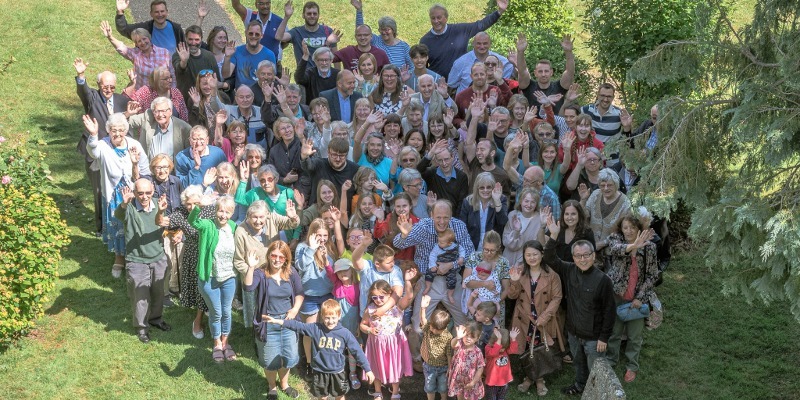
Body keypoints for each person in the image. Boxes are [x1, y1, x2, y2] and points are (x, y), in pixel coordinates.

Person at [542, 216, 616, 396]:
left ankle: (598, 393)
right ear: (573, 257)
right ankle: (580, 385)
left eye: (586, 255)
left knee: (596, 368)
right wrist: (553, 235)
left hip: (594, 338)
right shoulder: (568, 270)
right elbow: (550, 257)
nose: (582, 259)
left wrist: (603, 338)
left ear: (593, 255)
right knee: (579, 363)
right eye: (578, 256)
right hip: (574, 333)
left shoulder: (603, 280)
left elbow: (610, 311)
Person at [394, 201, 474, 362]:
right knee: (417, 325)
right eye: (438, 217)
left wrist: (451, 264)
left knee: (464, 320)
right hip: (428, 280)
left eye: (446, 217)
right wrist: (404, 234)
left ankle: (458, 355)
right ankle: (417, 358)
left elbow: (470, 252)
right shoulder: (423, 226)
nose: (442, 221)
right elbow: (398, 243)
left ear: (451, 216)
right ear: (431, 215)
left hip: (453, 278)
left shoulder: (458, 226)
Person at [83, 113, 151, 278]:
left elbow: (145, 170)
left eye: (121, 130)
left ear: (126, 130)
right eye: (114, 130)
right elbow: (92, 151)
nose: (118, 134)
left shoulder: (134, 145)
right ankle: (119, 258)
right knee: (117, 226)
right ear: (108, 131)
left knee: (133, 227)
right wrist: (93, 134)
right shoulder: (103, 145)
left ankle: (134, 258)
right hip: (113, 195)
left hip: (134, 194)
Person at [264, 299, 375, 400]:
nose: (330, 321)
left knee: (339, 395)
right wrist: (279, 322)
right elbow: (298, 326)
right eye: (327, 317)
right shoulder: (315, 328)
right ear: (322, 316)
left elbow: (357, 351)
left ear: (339, 316)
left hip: (338, 372)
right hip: (320, 371)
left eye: (333, 318)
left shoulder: (345, 333)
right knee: (322, 396)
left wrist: (368, 369)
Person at [73, 59, 131, 236]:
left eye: (112, 87)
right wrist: (81, 75)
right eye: (105, 86)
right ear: (99, 85)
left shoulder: (122, 100)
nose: (109, 90)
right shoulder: (92, 97)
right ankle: (101, 227)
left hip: (116, 153)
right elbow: (83, 91)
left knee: (118, 187)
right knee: (99, 190)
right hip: (95, 153)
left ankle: (120, 222)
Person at [243, 240, 305, 400]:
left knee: (287, 357)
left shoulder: (291, 272)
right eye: (274, 255)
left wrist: (295, 309)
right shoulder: (260, 273)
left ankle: (284, 384)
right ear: (269, 255)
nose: (277, 259)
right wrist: (250, 267)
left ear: (286, 259)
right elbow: (248, 287)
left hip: (288, 322)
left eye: (281, 257)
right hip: (268, 323)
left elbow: (299, 293)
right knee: (270, 359)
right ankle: (272, 387)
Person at [115, 178, 170, 343]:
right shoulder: (130, 207)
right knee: (140, 296)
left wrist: (161, 212)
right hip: (137, 260)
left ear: (153, 190)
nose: (144, 197)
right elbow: (119, 215)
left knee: (158, 292)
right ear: (134, 192)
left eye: (148, 192)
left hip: (158, 257)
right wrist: (124, 204)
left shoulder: (158, 204)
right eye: (140, 193)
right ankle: (142, 328)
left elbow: (161, 223)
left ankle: (156, 318)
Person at [605, 214, 658, 383]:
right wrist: (633, 246)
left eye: (633, 228)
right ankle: (611, 360)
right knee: (614, 333)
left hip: (635, 299)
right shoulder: (616, 239)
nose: (628, 231)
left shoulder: (649, 248)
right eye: (625, 227)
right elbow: (614, 250)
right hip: (617, 295)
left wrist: (641, 298)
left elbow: (652, 276)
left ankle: (632, 366)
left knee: (635, 337)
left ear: (639, 229)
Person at [507, 240, 564, 395]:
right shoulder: (520, 272)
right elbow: (512, 296)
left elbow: (557, 298)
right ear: (524, 257)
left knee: (540, 348)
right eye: (528, 255)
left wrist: (545, 316)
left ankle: (538, 379)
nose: (532, 258)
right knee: (527, 348)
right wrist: (514, 281)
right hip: (524, 318)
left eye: (535, 254)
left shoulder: (552, 275)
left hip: (542, 319)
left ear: (542, 254)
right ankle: (529, 377)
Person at [233, 200, 300, 326]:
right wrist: (252, 272)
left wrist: (293, 217)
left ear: (267, 215)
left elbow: (291, 224)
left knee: (273, 307)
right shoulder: (241, 231)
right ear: (248, 216)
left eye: (261, 217)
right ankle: (257, 334)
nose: (258, 221)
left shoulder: (272, 219)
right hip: (254, 276)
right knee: (256, 311)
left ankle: (275, 329)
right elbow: (238, 261)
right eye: (254, 217)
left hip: (275, 272)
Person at [189, 195, 239, 362]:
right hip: (209, 278)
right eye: (220, 211)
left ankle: (225, 343)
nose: (223, 215)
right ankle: (216, 343)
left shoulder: (233, 227)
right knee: (216, 312)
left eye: (227, 212)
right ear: (215, 211)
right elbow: (193, 221)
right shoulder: (208, 225)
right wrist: (199, 206)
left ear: (232, 214)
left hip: (229, 277)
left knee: (227, 312)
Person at [165, 185, 210, 338]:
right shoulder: (181, 213)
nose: (192, 207)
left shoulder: (209, 211)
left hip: (209, 255)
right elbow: (163, 222)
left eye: (195, 203)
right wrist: (159, 212)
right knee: (198, 290)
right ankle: (197, 321)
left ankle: (207, 314)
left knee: (207, 289)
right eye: (188, 204)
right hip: (192, 255)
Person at [360, 276, 416, 400]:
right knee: (376, 367)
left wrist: (407, 281)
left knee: (394, 367)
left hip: (394, 344)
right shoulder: (369, 310)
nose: (378, 300)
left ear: (389, 294)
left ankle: (395, 392)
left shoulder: (397, 307)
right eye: (375, 297)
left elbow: (409, 296)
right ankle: (378, 391)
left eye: (381, 296)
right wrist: (369, 329)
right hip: (376, 345)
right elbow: (362, 325)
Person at [420, 0, 508, 78]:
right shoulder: (425, 41)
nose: (436, 21)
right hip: (438, 84)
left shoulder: (460, 30)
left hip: (462, 81)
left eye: (439, 17)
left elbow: (481, 25)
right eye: (433, 18)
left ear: (446, 18)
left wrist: (499, 11)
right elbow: (422, 66)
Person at [295, 219, 335, 376]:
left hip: (327, 294)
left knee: (327, 330)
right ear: (312, 234)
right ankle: (310, 363)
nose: (323, 239)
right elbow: (301, 266)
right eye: (319, 235)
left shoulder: (330, 248)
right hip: (309, 296)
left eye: (325, 235)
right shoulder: (302, 247)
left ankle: (325, 360)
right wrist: (311, 249)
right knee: (310, 332)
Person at [235, 164, 302, 245]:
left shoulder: (288, 193)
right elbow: (239, 199)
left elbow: (298, 215)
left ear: (276, 179)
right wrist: (243, 179)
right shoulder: (255, 193)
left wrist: (296, 237)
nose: (266, 183)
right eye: (262, 180)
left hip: (287, 239)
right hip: (264, 240)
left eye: (270, 179)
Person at [322, 259, 363, 388]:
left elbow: (360, 307)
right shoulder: (337, 283)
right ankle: (337, 372)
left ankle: (352, 373)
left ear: (352, 270)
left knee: (351, 349)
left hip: (352, 323)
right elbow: (329, 272)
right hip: (336, 324)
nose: (342, 273)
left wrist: (359, 324)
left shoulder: (358, 286)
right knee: (336, 347)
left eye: (345, 270)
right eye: (339, 272)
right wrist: (325, 261)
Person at [148, 154, 184, 300]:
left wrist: (181, 230)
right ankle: (164, 293)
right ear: (153, 169)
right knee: (165, 262)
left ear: (170, 168)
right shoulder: (149, 184)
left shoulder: (177, 182)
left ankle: (177, 288)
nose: (162, 171)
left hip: (178, 227)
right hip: (159, 229)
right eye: (158, 167)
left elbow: (184, 207)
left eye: (165, 167)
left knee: (179, 260)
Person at [101, 21, 175, 90]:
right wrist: (110, 37)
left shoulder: (164, 52)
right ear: (136, 44)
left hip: (162, 93)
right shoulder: (135, 54)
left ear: (149, 38)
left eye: (144, 39)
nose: (143, 42)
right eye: (139, 41)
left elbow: (172, 73)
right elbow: (121, 47)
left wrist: (173, 91)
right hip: (143, 95)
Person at [580, 168, 631, 259]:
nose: (606, 188)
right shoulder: (595, 194)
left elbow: (622, 230)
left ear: (616, 185)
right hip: (591, 248)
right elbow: (585, 216)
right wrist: (583, 200)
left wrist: (602, 243)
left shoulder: (625, 203)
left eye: (609, 185)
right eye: (602, 185)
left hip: (612, 252)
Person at [275, 0, 342, 69]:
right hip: (305, 77)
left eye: (315, 13)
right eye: (309, 13)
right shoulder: (296, 32)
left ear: (318, 15)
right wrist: (286, 17)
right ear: (303, 15)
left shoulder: (327, 31)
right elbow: (279, 37)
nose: (312, 16)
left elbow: (335, 57)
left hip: (324, 76)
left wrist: (337, 77)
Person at [518, 35, 575, 112]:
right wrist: (520, 52)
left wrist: (568, 52)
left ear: (551, 72)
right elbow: (522, 71)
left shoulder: (559, 87)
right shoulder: (529, 87)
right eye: (540, 71)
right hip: (533, 123)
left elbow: (570, 72)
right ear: (535, 73)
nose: (543, 74)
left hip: (555, 123)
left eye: (546, 71)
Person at [579, 83, 633, 164]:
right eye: (602, 95)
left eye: (609, 96)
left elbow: (627, 140)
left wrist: (627, 127)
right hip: (590, 160)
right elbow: (568, 120)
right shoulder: (586, 110)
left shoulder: (619, 114)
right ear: (598, 95)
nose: (605, 99)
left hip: (612, 162)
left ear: (613, 97)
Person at [352, 0, 413, 70]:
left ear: (393, 30)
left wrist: (405, 75)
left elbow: (412, 67)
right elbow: (361, 30)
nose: (384, 32)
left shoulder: (404, 47)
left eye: (387, 30)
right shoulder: (375, 40)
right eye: (381, 29)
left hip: (399, 79)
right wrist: (359, 10)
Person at [301, 136, 360, 208]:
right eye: (334, 155)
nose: (338, 159)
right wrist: (304, 157)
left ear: (347, 154)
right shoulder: (319, 164)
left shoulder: (355, 169)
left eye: (341, 156)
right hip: (318, 214)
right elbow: (307, 166)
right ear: (328, 152)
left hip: (343, 215)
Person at [447, 32, 513, 94]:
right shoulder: (460, 62)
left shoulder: (501, 61)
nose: (482, 47)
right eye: (478, 43)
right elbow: (451, 86)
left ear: (490, 44)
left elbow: (510, 74)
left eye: (485, 43)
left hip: (494, 101)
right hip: (466, 102)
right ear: (473, 43)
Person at [458, 173, 508, 250]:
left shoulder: (501, 199)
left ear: (493, 188)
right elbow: (462, 227)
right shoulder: (468, 202)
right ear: (477, 188)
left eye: (489, 187)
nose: (485, 190)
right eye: (482, 188)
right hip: (471, 247)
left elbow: (503, 222)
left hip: (493, 248)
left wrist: (496, 200)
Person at [453, 62, 512, 128]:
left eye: (482, 74)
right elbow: (455, 118)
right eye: (476, 75)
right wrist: (461, 123)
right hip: (469, 133)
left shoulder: (496, 91)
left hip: (494, 132)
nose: (479, 77)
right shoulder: (461, 96)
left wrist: (500, 81)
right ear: (471, 76)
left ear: (486, 75)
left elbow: (511, 102)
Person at [231, 0, 286, 69]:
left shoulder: (279, 21)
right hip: (251, 63)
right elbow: (236, 5)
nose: (265, 6)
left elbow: (285, 41)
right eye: (261, 3)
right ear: (256, 4)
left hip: (272, 65)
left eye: (267, 3)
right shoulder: (249, 15)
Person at [115, 0, 185, 55]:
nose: (160, 14)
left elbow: (185, 50)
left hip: (173, 71)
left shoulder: (176, 29)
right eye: (156, 12)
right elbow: (124, 29)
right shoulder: (145, 28)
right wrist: (120, 12)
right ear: (151, 14)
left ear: (167, 12)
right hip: (152, 72)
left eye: (162, 11)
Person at [417, 143, 470, 216]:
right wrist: (431, 153)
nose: (444, 163)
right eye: (440, 160)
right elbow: (418, 170)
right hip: (435, 216)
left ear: (452, 157)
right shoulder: (431, 173)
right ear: (436, 160)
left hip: (453, 217)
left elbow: (461, 202)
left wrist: (456, 221)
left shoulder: (461, 176)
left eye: (446, 159)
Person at [418, 294, 453, 400]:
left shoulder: (448, 337)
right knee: (429, 387)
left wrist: (450, 368)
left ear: (444, 327)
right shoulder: (429, 328)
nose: (432, 330)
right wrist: (423, 308)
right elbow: (423, 319)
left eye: (436, 329)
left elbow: (449, 353)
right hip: (429, 366)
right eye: (432, 327)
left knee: (443, 387)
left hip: (443, 367)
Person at [223, 21, 277, 88]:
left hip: (261, 94)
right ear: (246, 33)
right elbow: (226, 75)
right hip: (241, 95)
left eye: (257, 34)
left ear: (262, 36)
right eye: (251, 34)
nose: (253, 36)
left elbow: (272, 79)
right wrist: (227, 57)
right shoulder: (237, 51)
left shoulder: (269, 55)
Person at [172, 25, 220, 102]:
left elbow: (216, 80)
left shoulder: (209, 56)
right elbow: (179, 70)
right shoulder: (178, 54)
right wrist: (184, 61)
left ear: (201, 40)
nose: (193, 43)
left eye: (197, 39)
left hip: (206, 102)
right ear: (185, 39)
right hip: (184, 102)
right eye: (190, 39)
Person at [501, 188, 545, 266]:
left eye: (533, 202)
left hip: (527, 263)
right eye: (526, 201)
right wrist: (516, 231)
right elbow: (507, 243)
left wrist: (543, 226)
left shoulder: (540, 219)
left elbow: (541, 246)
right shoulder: (512, 215)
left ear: (536, 204)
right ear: (521, 201)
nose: (529, 205)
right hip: (508, 260)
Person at [373, 193, 419, 261]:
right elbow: (377, 235)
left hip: (411, 261)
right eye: (398, 206)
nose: (401, 209)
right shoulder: (390, 218)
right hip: (392, 260)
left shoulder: (417, 221)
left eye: (404, 206)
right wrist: (380, 220)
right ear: (394, 207)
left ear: (410, 206)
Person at [423, 228, 464, 305]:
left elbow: (462, 251)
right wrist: (433, 265)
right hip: (438, 266)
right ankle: (428, 287)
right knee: (429, 273)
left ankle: (450, 294)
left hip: (451, 268)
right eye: (438, 241)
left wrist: (461, 257)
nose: (439, 243)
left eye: (441, 242)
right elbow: (432, 256)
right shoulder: (437, 247)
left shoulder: (456, 246)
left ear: (449, 243)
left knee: (452, 280)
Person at [447, 321, 486, 400]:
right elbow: (452, 344)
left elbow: (480, 368)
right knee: (460, 396)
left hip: (470, 382)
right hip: (458, 381)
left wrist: (473, 382)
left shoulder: (478, 352)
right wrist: (457, 337)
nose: (468, 338)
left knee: (469, 397)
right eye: (466, 335)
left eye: (472, 336)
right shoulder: (459, 344)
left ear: (477, 338)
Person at [484, 327, 520, 400]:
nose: (502, 349)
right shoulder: (488, 349)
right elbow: (494, 353)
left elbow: (513, 350)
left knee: (501, 397)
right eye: (500, 347)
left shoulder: (505, 350)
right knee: (491, 398)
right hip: (492, 382)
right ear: (493, 342)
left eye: (504, 347)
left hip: (504, 380)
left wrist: (513, 339)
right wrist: (499, 341)